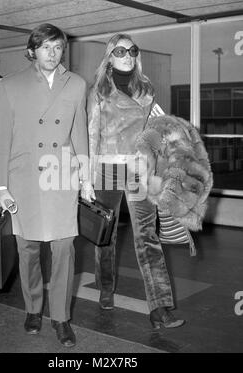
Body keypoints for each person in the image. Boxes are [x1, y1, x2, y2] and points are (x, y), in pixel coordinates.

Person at [0, 23, 93, 347]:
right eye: (46, 47)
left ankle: (61, 318)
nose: (53, 53)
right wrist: (0, 187)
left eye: (58, 47)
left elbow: (80, 135)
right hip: (24, 179)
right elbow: (1, 138)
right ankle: (33, 308)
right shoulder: (9, 85)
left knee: (64, 250)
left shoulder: (76, 84)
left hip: (61, 175)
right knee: (29, 250)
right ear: (32, 50)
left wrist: (86, 178)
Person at [86, 33, 185, 329]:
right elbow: (92, 135)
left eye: (132, 50)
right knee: (106, 235)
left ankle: (160, 308)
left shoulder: (147, 88)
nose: (127, 54)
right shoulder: (99, 90)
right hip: (106, 168)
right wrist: (87, 178)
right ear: (109, 56)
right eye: (120, 50)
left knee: (148, 237)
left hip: (139, 170)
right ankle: (105, 287)